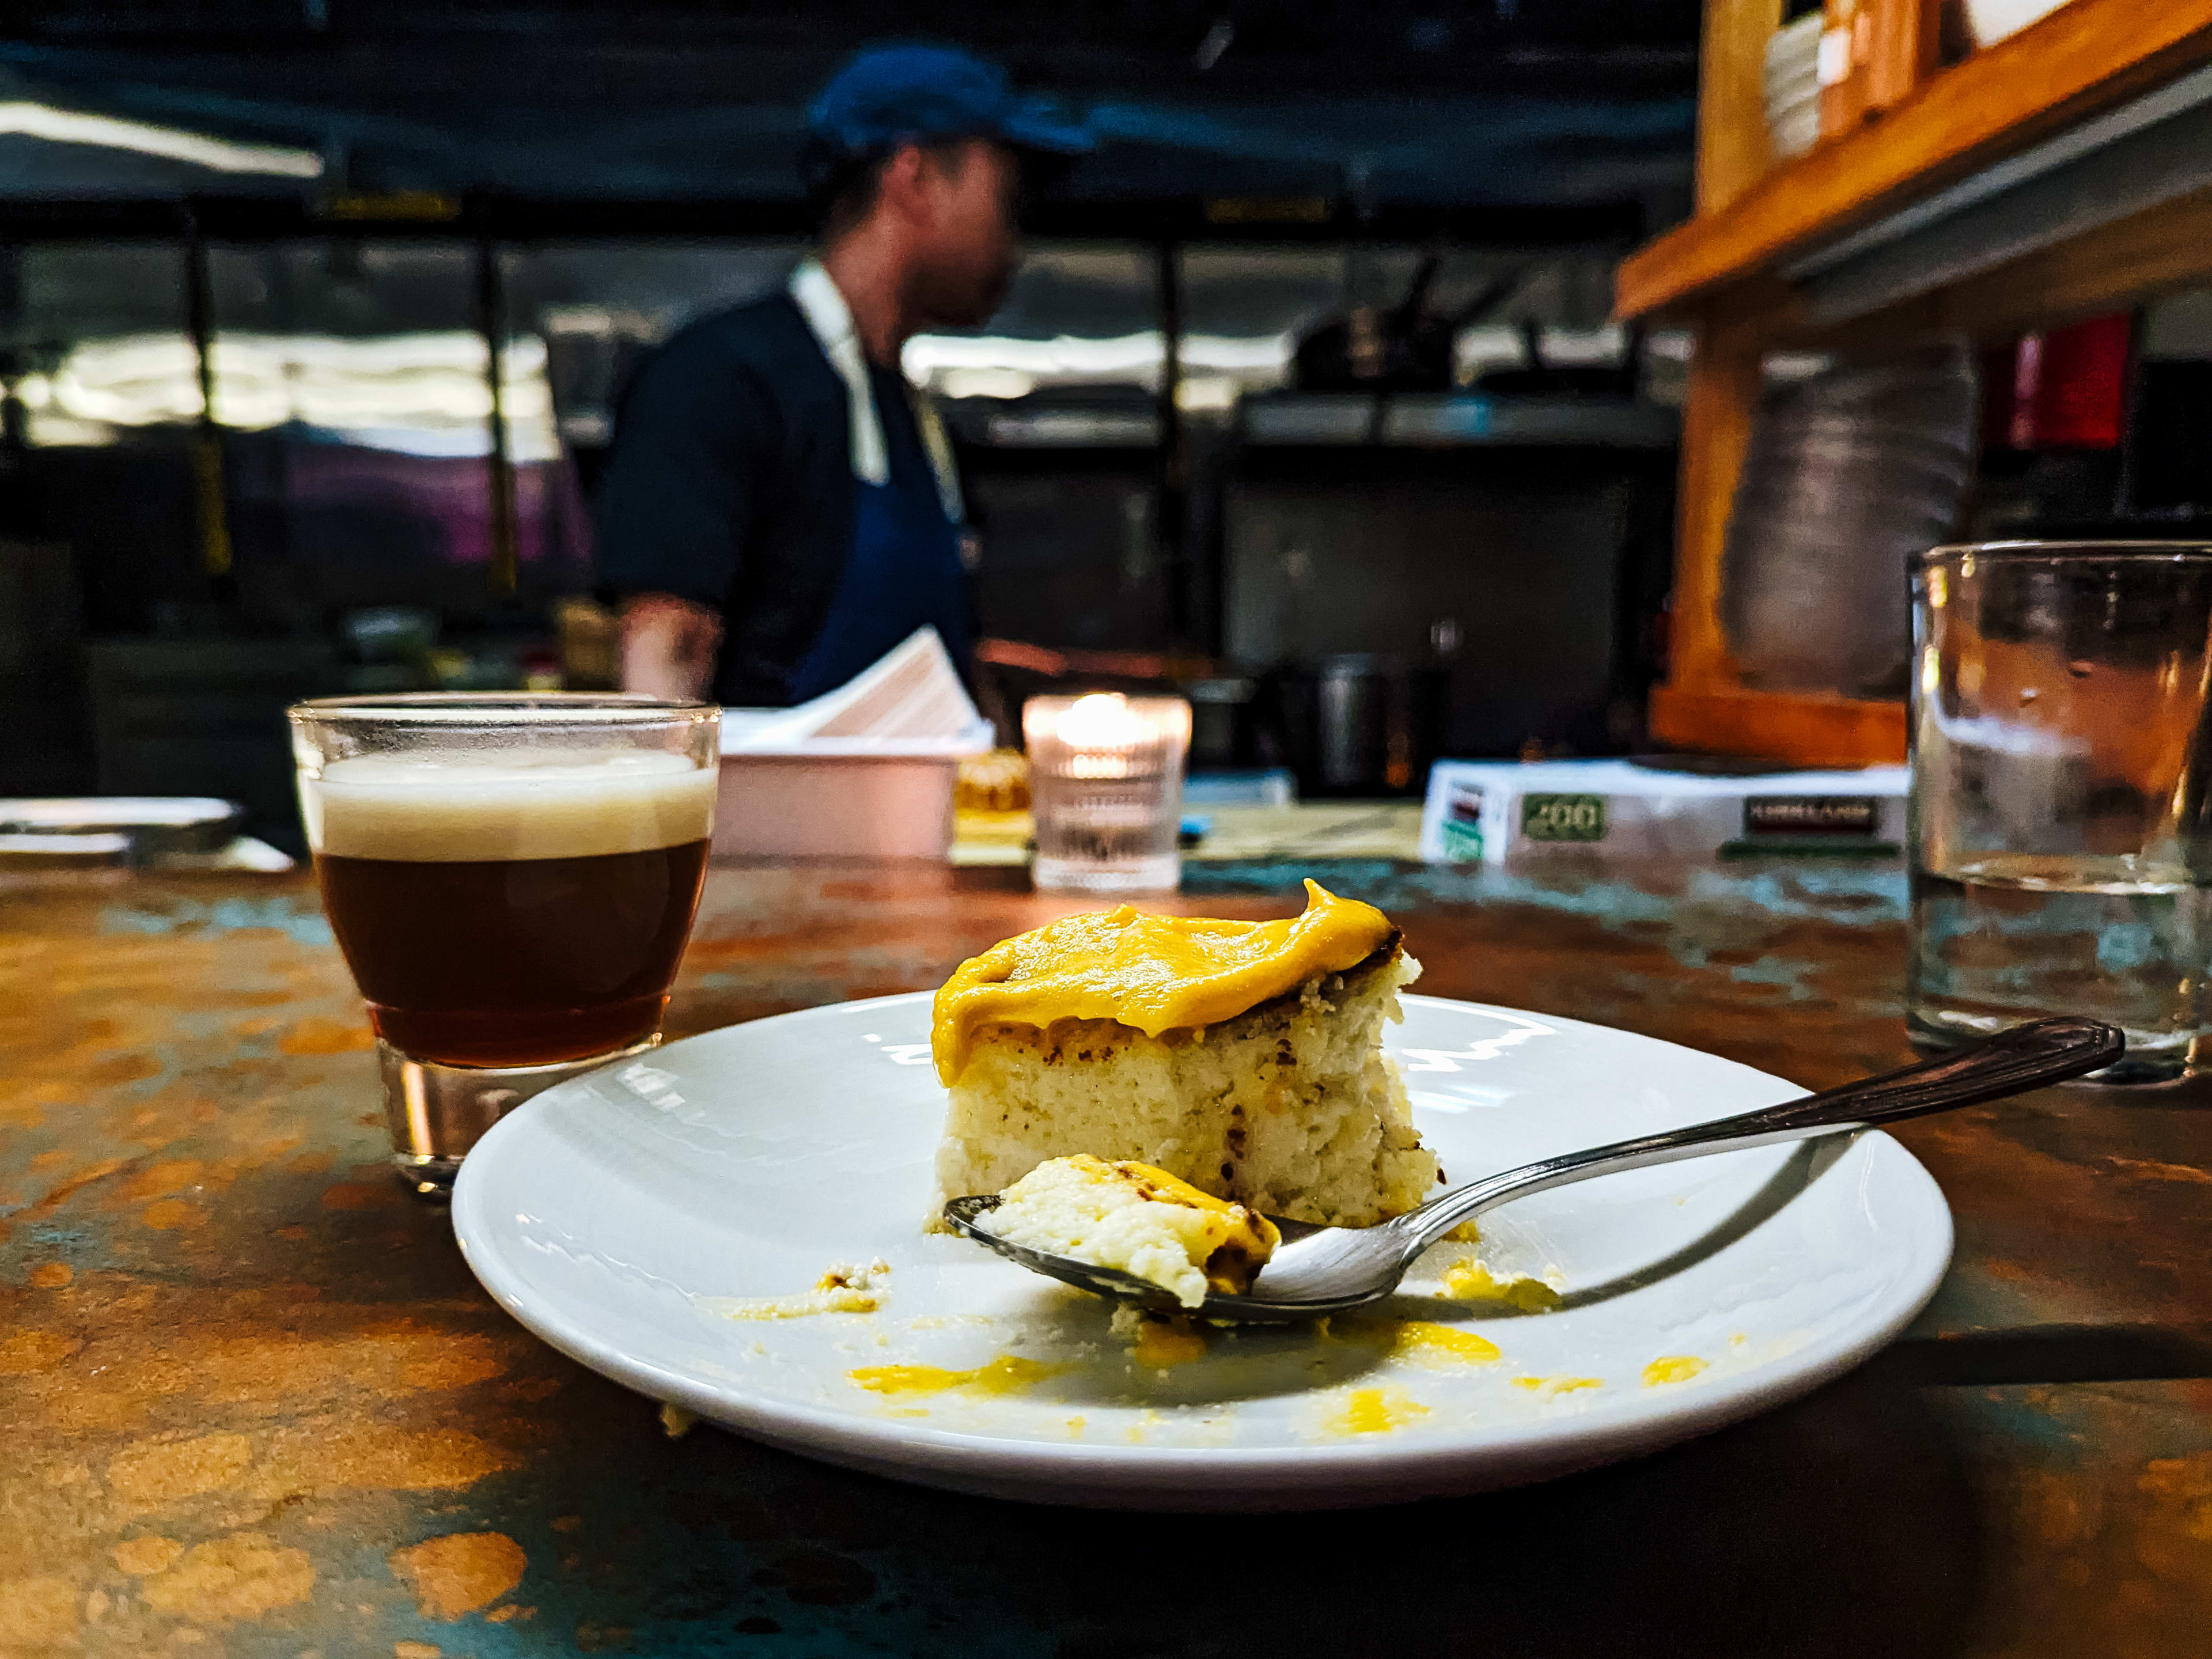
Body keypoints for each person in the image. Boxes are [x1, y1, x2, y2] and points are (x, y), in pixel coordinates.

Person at [596, 44, 1090, 705]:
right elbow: (666, 658)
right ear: (914, 177)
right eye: (1006, 193)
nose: (1013, 236)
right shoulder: (721, 378)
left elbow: (954, 673)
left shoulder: (915, 416)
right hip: (764, 811)